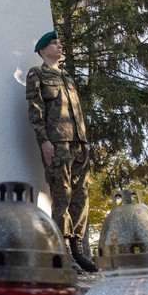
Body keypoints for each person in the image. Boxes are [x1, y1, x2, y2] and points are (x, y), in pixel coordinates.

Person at [25, 30, 97, 273]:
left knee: (81, 194)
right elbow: (36, 110)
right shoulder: (37, 74)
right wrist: (44, 141)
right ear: (42, 50)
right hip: (57, 142)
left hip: (79, 143)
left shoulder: (67, 77)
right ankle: (60, 251)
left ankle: (78, 248)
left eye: (59, 42)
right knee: (62, 193)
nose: (59, 45)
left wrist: (85, 142)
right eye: (54, 43)